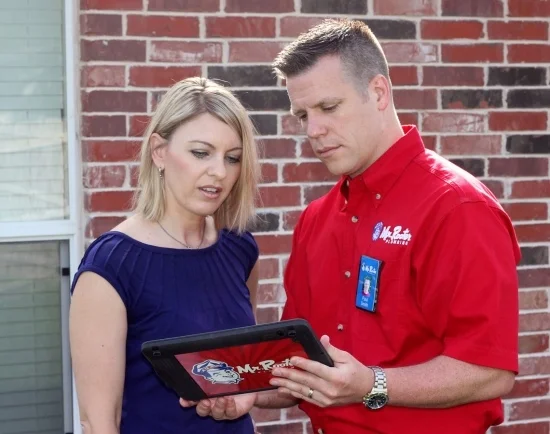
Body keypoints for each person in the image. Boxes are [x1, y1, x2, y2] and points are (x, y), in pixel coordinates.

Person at [182, 19, 520, 434]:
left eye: (328, 107)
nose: (313, 130)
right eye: (302, 114)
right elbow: (302, 360)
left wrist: (371, 385)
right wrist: (248, 392)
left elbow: (490, 370)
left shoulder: (457, 207)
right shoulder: (317, 218)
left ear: (378, 92)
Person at [69, 77, 261, 434]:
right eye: (201, 152)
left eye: (232, 158)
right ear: (159, 151)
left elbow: (243, 366)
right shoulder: (112, 265)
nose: (219, 172)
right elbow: (98, 423)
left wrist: (244, 394)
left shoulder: (239, 247)